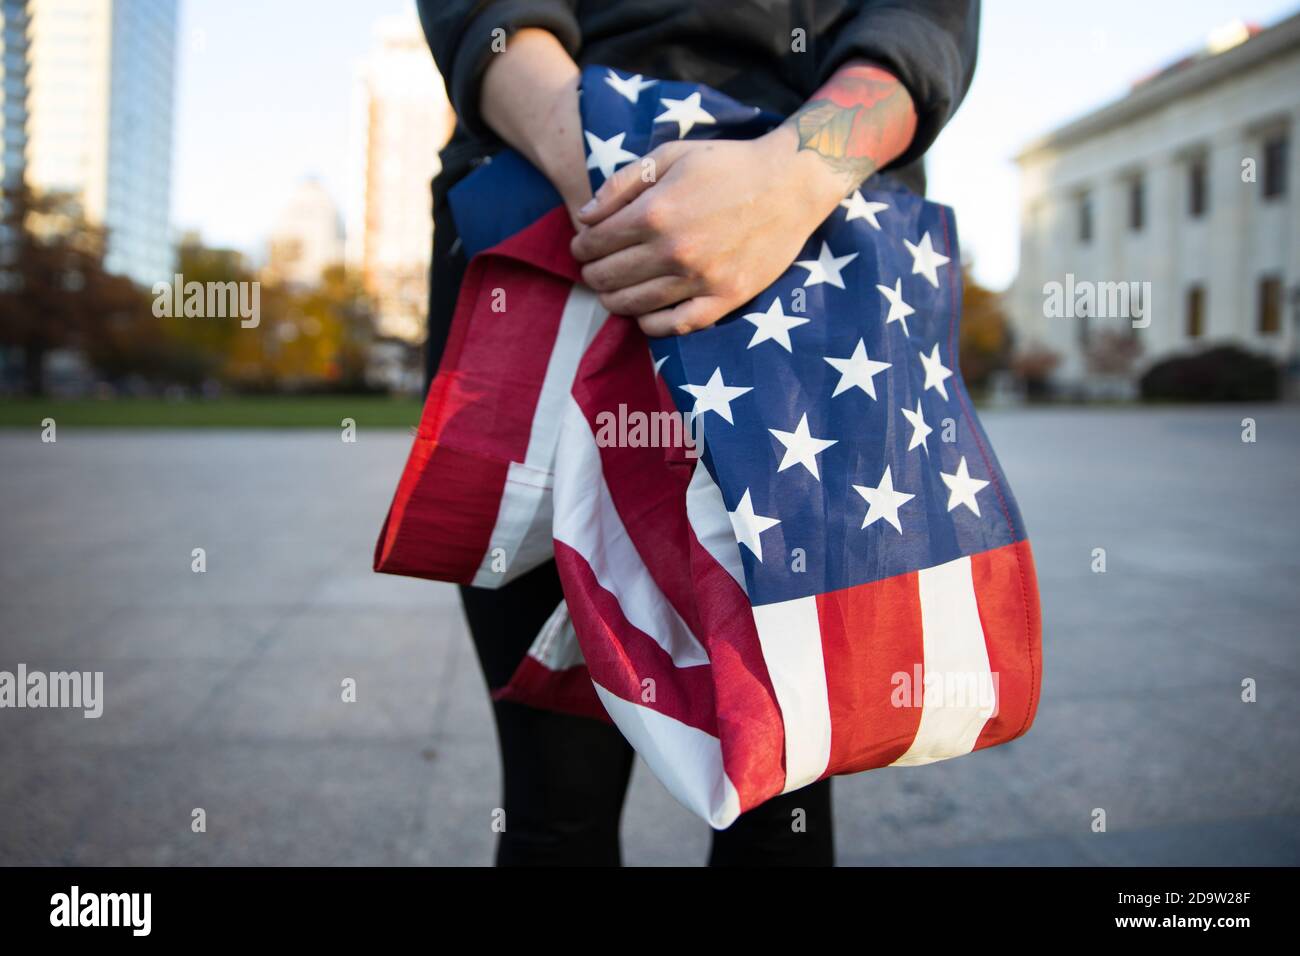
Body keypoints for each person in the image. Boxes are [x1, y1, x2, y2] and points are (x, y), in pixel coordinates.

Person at [415, 0, 980, 866]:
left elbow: (919, 30)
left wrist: (784, 185)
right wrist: (619, 186)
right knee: (553, 791)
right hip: (547, 224)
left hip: (816, 254)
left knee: (783, 778)